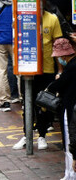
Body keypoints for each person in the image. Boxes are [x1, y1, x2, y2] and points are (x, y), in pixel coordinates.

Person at [14, 0, 64, 151]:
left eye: (39, 0)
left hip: (47, 70)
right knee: (27, 104)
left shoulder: (52, 19)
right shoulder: (23, 18)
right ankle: (26, 134)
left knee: (45, 104)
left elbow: (58, 46)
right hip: (28, 70)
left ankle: (42, 135)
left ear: (44, 1)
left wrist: (60, 70)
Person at [45, 37, 76, 177]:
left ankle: (71, 174)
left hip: (70, 109)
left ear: (63, 56)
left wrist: (52, 86)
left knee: (70, 143)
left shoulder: (71, 68)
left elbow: (58, 85)